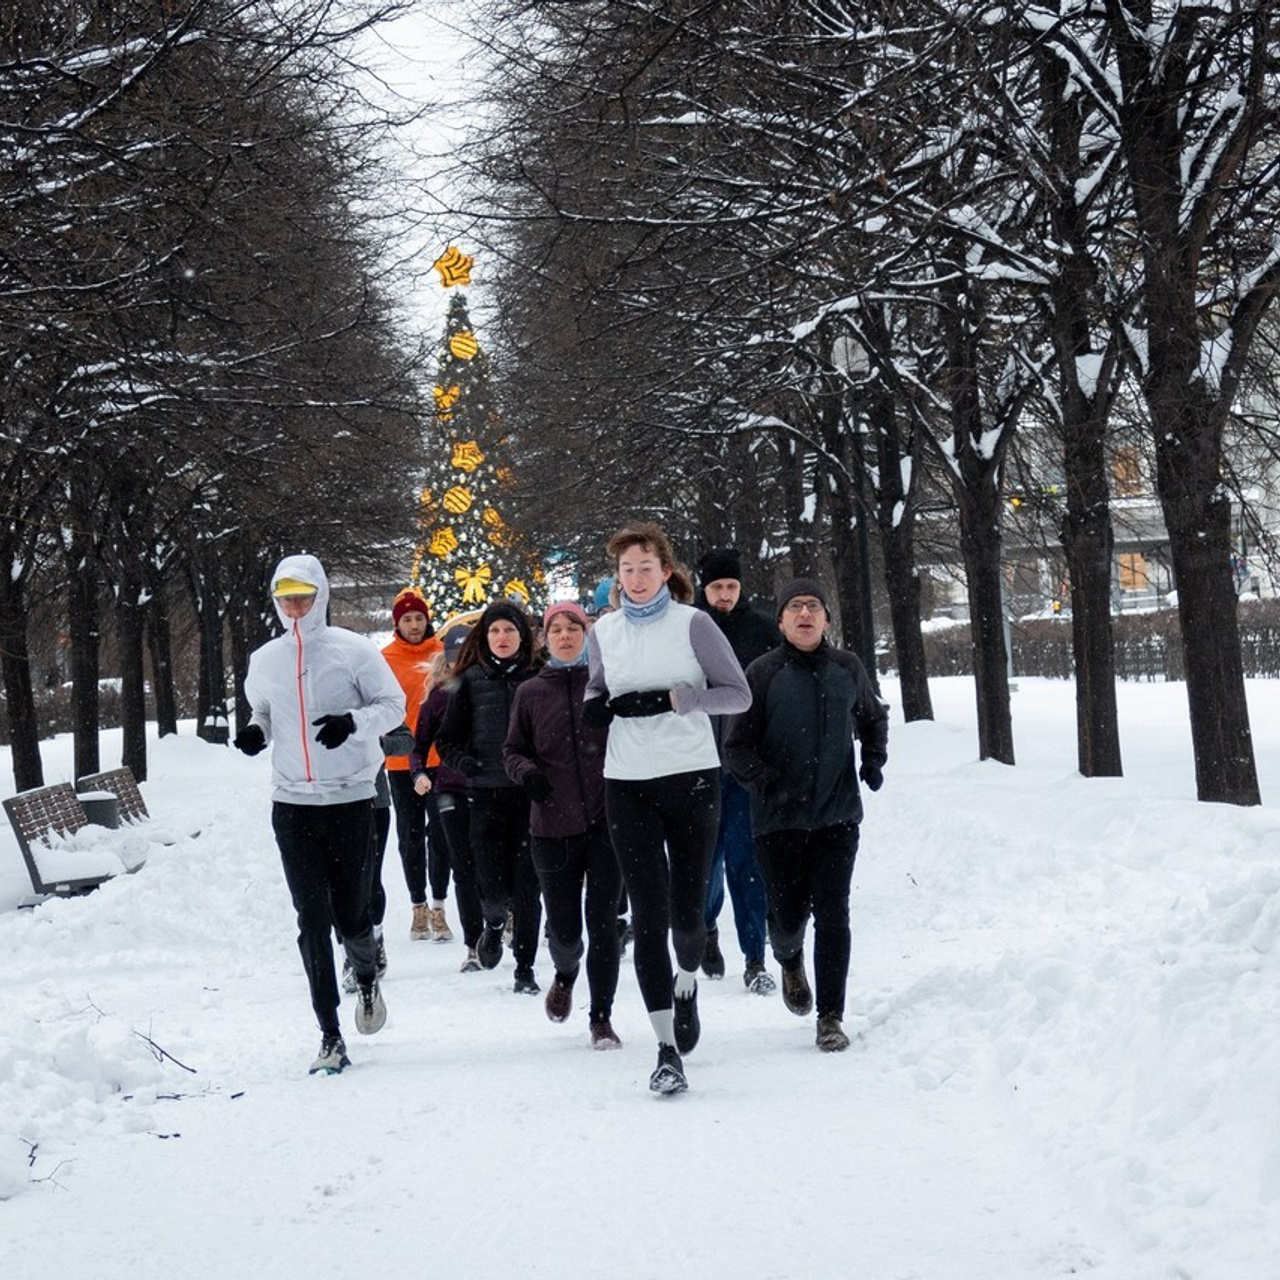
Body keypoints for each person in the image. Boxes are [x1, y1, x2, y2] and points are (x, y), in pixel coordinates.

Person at [583, 521, 751, 1095]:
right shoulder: (602, 631)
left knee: (686, 918)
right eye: (625, 570)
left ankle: (687, 981)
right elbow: (595, 688)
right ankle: (664, 1048)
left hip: (691, 777)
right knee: (648, 918)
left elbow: (738, 692)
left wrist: (679, 699)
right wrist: (595, 708)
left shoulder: (694, 623)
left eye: (645, 568)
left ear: (666, 571)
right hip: (626, 782)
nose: (635, 578)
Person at [235, 553, 405, 1074]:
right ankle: (330, 1034)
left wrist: (353, 723)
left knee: (351, 912)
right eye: (285, 597)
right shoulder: (265, 659)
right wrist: (256, 731)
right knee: (311, 918)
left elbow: (393, 705)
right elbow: (261, 708)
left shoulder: (353, 651)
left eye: (302, 595)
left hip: (351, 800)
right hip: (292, 806)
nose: (294, 605)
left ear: (320, 596)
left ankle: (366, 973)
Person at [723, 578, 889, 1053]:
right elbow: (735, 746)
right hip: (778, 821)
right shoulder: (762, 673)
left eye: (813, 606)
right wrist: (764, 781)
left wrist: (872, 760)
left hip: (837, 817)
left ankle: (830, 1016)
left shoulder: (847, 668)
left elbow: (873, 717)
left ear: (826, 619)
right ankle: (789, 958)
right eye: (794, 607)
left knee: (834, 913)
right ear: (780, 621)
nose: (804, 614)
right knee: (790, 915)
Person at [504, 601, 623, 1048]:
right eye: (557, 629)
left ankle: (601, 1018)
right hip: (551, 826)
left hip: (606, 822)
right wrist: (528, 774)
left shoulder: (607, 686)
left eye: (575, 628)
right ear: (545, 639)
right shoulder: (531, 693)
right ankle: (566, 972)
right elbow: (512, 750)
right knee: (567, 932)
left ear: (588, 636)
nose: (567, 636)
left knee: (604, 923)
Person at [436, 600, 543, 993]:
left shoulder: (539, 677)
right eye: (495, 631)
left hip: (530, 798)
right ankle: (494, 924)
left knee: (529, 887)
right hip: (484, 796)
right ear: (485, 637)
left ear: (523, 636)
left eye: (510, 631)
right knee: (492, 887)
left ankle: (525, 969)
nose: (503, 638)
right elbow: (446, 739)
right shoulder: (468, 680)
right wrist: (464, 764)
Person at [695, 547, 782, 993]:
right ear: (702, 587)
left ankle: (754, 957)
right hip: (696, 764)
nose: (725, 595)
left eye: (731, 587)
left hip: (744, 765)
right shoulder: (687, 629)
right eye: (716, 588)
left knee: (747, 864)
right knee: (705, 865)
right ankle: (707, 927)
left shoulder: (764, 630)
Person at [410, 628, 486, 971]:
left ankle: (500, 919)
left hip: (493, 788)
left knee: (495, 863)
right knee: (464, 867)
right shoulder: (439, 698)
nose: (461, 661)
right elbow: (419, 744)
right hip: (451, 789)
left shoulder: (492, 687)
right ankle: (473, 944)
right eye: (455, 654)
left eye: (467, 652)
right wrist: (419, 774)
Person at [379, 588, 447, 941]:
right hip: (402, 759)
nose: (415, 624)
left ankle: (439, 905)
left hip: (440, 758)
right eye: (407, 619)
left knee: (441, 833)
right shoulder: (385, 658)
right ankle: (417, 906)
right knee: (409, 835)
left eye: (419, 618)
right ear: (397, 623)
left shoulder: (442, 653)